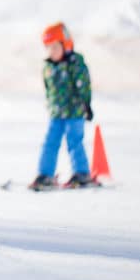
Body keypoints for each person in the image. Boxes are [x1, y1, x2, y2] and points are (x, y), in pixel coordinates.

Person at [30, 22, 94, 191]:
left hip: (75, 112)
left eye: (55, 47)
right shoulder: (48, 67)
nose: (51, 52)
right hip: (56, 113)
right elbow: (48, 88)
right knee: (50, 142)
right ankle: (45, 174)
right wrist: (50, 104)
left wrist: (86, 104)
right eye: (48, 48)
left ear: (65, 45)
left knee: (74, 141)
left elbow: (84, 85)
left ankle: (81, 173)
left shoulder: (75, 63)